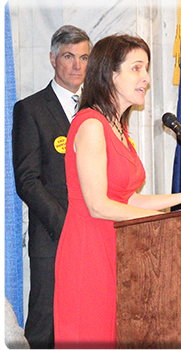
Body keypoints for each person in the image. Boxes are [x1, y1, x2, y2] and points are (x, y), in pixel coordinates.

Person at [53, 34, 181, 349]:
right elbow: (99, 205)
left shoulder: (119, 128)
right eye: (136, 68)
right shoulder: (90, 125)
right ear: (110, 74)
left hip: (121, 249)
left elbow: (127, 198)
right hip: (89, 253)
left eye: (146, 69)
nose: (145, 78)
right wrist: (165, 220)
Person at [12, 25, 91, 349]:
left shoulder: (95, 111)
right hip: (52, 234)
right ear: (52, 59)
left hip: (94, 231)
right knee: (46, 321)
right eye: (69, 57)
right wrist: (65, 224)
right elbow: (27, 181)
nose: (77, 66)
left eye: (84, 57)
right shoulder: (30, 109)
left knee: (88, 318)